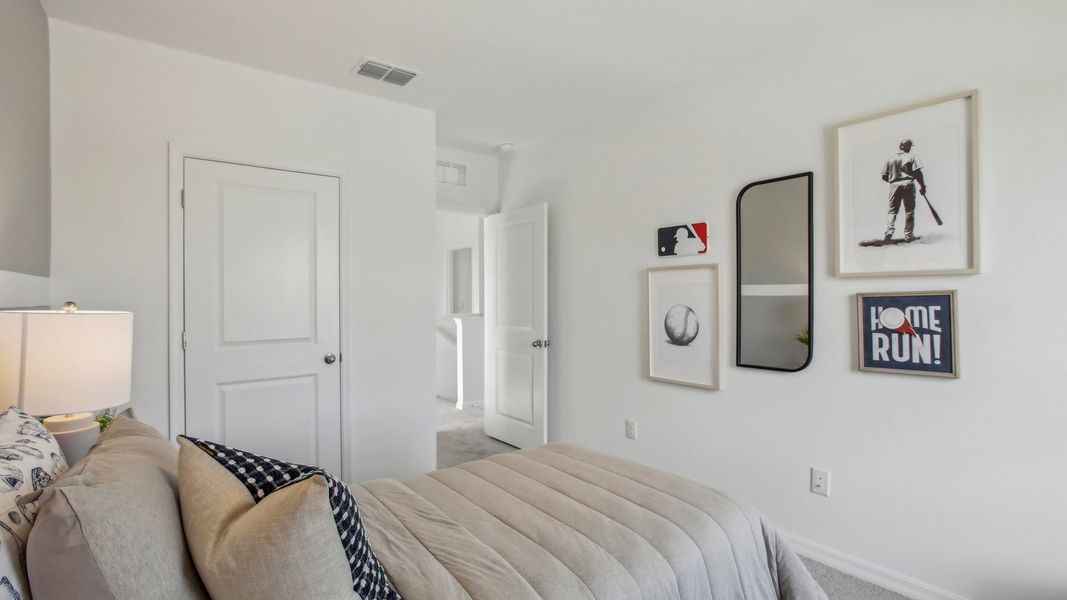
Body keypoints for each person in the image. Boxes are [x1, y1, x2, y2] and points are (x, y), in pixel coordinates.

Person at [880, 138, 926, 242]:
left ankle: (889, 232)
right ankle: (908, 236)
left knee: (892, 211)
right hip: (908, 184)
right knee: (909, 211)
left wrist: (895, 182)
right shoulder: (912, 156)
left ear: (900, 147)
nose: (910, 148)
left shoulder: (891, 159)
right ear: (908, 147)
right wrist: (922, 186)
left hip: (894, 185)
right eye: (909, 146)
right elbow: (918, 173)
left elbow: (884, 176)